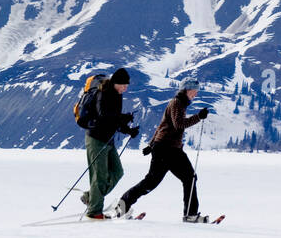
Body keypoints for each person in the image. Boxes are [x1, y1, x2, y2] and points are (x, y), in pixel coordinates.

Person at [116, 78, 208, 221]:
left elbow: (162, 125)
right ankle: (190, 215)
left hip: (167, 148)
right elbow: (179, 125)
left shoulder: (179, 103)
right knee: (181, 178)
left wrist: (151, 145)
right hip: (167, 148)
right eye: (194, 92)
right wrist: (198, 117)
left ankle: (124, 204)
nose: (195, 95)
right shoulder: (177, 103)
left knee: (167, 179)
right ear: (187, 90)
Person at [82, 68, 139, 220]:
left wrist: (129, 130)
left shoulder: (117, 96)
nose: (125, 88)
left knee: (117, 172)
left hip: (108, 139)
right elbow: (103, 115)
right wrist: (122, 117)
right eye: (124, 85)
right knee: (99, 176)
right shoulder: (103, 93)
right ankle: (94, 212)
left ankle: (90, 197)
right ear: (116, 83)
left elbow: (114, 121)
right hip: (96, 139)